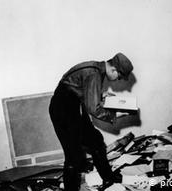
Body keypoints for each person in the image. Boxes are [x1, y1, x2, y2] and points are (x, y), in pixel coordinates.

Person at [49, 53, 133, 191]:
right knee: (73, 156)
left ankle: (108, 178)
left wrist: (100, 96)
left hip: (72, 105)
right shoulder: (95, 74)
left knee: (96, 141)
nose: (118, 80)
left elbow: (79, 88)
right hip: (64, 109)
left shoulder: (96, 68)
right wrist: (116, 114)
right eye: (119, 76)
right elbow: (93, 109)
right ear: (113, 70)